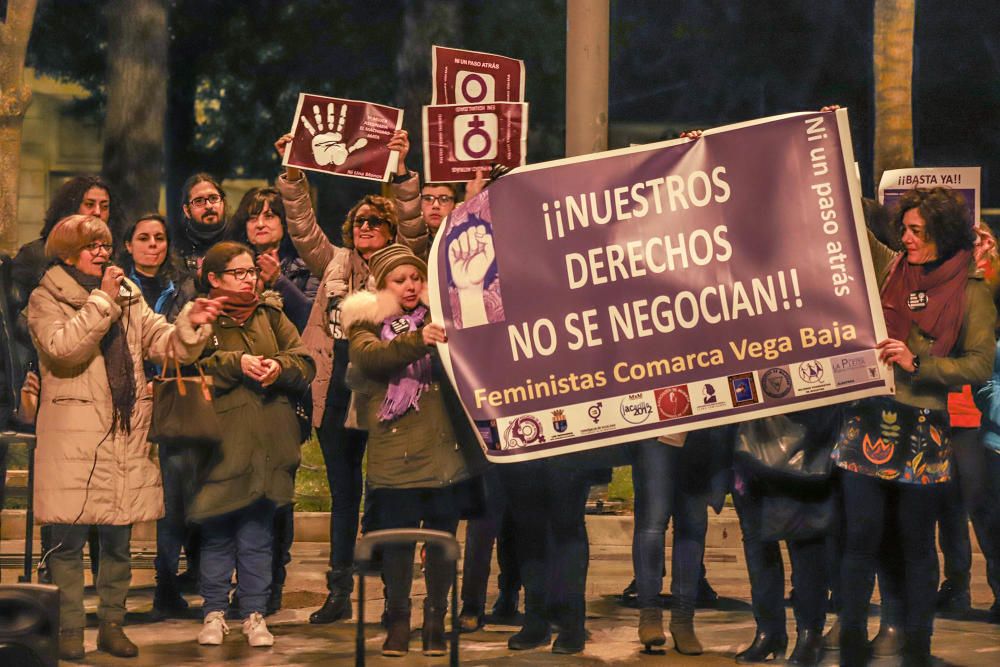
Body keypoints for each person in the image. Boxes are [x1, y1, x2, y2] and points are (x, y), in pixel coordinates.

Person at [27, 214, 221, 660]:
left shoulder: (127, 294)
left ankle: (112, 625)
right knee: (68, 542)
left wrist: (193, 322)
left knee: (118, 539)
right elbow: (63, 349)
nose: (102, 251)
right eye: (92, 245)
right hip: (73, 436)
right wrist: (102, 303)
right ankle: (70, 632)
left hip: (125, 432)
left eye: (105, 244)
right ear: (68, 251)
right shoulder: (47, 297)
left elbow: (163, 341)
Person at [833, 187, 996, 666]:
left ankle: (917, 648)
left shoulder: (971, 291)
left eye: (916, 231)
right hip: (867, 422)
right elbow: (842, 225)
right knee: (859, 542)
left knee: (917, 548)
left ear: (942, 235)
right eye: (903, 227)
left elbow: (979, 365)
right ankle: (851, 646)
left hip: (923, 433)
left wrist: (917, 360)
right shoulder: (889, 268)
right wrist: (819, 142)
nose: (904, 237)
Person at [274, 133, 398, 624]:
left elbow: (410, 219)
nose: (366, 227)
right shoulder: (334, 264)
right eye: (360, 221)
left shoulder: (400, 267)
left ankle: (394, 595)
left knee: (386, 495)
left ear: (389, 231)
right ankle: (339, 591)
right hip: (334, 393)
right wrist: (291, 175)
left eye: (376, 222)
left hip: (386, 396)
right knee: (344, 496)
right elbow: (303, 231)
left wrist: (404, 175)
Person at [340, 244, 484, 657]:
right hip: (395, 451)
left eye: (415, 278)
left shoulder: (443, 318)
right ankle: (398, 620)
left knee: (441, 540)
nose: (409, 285)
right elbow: (371, 358)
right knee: (398, 543)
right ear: (382, 285)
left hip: (444, 451)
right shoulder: (366, 324)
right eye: (399, 279)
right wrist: (419, 340)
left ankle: (436, 619)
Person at [189, 242, 315, 648]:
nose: (249, 279)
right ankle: (213, 612)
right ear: (214, 278)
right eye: (239, 273)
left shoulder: (271, 314)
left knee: (258, 532)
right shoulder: (200, 315)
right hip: (219, 441)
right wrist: (235, 362)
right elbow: (193, 361)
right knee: (217, 531)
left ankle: (254, 613)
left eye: (251, 272)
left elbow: (305, 361)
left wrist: (278, 367)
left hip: (267, 439)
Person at [12, 176, 123, 585]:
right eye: (88, 203)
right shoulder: (36, 263)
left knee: (107, 505)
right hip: (57, 386)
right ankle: (58, 587)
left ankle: (104, 604)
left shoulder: (115, 281)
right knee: (64, 501)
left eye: (104, 205)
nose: (97, 212)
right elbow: (46, 337)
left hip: (107, 402)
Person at [229, 187, 319, 614]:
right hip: (237, 398)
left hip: (287, 394)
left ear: (285, 224)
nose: (261, 222)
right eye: (253, 215)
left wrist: (278, 280)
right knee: (238, 491)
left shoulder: (304, 267)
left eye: (271, 214)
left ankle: (271, 585)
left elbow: (313, 321)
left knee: (278, 493)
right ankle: (243, 586)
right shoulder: (229, 264)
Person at [116, 213, 195, 618]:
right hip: (123, 401)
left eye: (160, 238)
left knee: (172, 498)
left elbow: (181, 338)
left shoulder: (182, 286)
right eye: (143, 237)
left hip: (169, 400)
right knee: (119, 494)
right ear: (128, 244)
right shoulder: (115, 287)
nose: (153, 245)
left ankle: (167, 586)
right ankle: (114, 586)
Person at [732, 410, 840, 667]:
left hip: (803, 439)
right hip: (747, 444)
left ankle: (810, 635)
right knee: (758, 544)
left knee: (806, 542)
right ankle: (769, 632)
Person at [630, 430, 722, 655]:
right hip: (655, 427)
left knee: (692, 525)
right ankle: (649, 613)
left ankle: (683, 620)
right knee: (652, 522)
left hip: (700, 432)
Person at [390, 130, 486, 260]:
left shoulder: (473, 234)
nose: (435, 205)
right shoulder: (415, 240)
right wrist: (399, 164)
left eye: (444, 199)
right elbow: (409, 213)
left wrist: (472, 202)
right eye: (428, 198)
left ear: (455, 205)